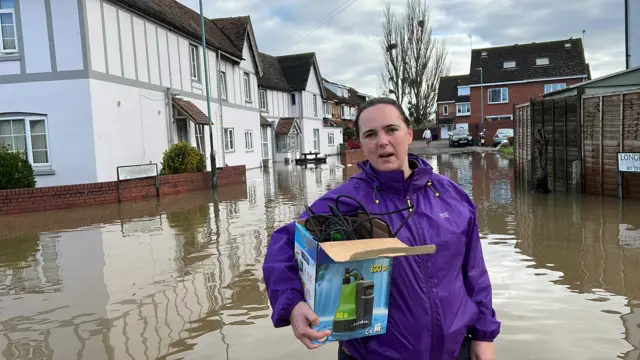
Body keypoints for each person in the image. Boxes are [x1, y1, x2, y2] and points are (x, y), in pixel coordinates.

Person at [262, 97, 500, 360]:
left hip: (455, 351)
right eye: (371, 134)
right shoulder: (348, 200)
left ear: (409, 133)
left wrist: (483, 336)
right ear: (362, 144)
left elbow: (474, 273)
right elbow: (283, 243)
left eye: (391, 130)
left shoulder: (452, 196)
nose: (382, 141)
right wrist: (293, 304)